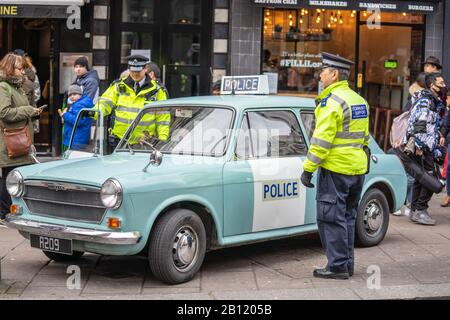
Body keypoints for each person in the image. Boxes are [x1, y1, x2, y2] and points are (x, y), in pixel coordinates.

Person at [300, 52, 370, 280]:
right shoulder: (359, 101)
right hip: (357, 169)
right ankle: (346, 264)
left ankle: (337, 266)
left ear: (335, 74)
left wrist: (308, 169)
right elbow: (365, 138)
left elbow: (321, 141)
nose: (320, 74)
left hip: (335, 170)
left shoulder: (332, 102)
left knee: (330, 217)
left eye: (324, 70)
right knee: (348, 217)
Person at [0, 53, 43, 221]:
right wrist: (28, 111)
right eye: (20, 68)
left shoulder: (17, 86)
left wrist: (33, 113)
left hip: (21, 140)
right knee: (9, 177)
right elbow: (4, 113)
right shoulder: (4, 87)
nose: (24, 72)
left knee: (18, 176)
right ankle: (3, 214)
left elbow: (20, 109)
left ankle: (15, 211)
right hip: (10, 142)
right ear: (10, 69)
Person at [96, 55, 169, 151]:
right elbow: (105, 102)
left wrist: (162, 139)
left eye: (138, 71)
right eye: (132, 71)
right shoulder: (118, 86)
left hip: (145, 143)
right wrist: (94, 112)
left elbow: (162, 118)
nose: (135, 74)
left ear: (145, 69)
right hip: (119, 141)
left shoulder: (157, 90)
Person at [406, 72, 445, 225]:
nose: (443, 85)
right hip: (423, 146)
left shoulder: (431, 100)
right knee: (430, 179)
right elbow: (420, 123)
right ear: (432, 85)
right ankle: (420, 210)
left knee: (420, 178)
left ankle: (415, 210)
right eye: (440, 83)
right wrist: (420, 145)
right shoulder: (426, 101)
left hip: (425, 144)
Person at [61, 84, 94, 151]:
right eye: (70, 95)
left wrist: (65, 115)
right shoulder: (78, 103)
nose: (72, 96)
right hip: (78, 137)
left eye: (74, 94)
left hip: (76, 139)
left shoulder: (79, 105)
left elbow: (77, 121)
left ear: (80, 94)